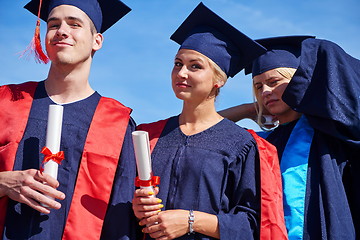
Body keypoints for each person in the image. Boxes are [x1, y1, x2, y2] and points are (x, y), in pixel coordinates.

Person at [132, 3, 287, 240]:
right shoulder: (150, 135)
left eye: (195, 66)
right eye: (177, 64)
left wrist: (191, 221)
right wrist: (133, 206)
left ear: (219, 80)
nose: (181, 73)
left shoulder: (242, 144)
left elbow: (255, 224)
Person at [0, 0, 138, 239]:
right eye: (53, 25)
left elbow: (121, 224)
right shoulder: (6, 102)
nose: (62, 31)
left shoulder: (116, 123)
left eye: (74, 24)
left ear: (97, 41)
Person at [219, 35, 360, 239]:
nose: (266, 91)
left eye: (274, 81)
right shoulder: (261, 143)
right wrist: (247, 110)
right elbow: (203, 130)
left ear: (298, 79)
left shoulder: (333, 131)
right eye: (258, 87)